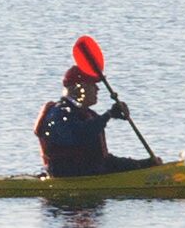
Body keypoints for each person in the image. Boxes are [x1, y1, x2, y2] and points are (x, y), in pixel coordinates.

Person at [35, 35, 153, 177]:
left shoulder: (90, 115)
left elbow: (104, 161)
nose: (97, 90)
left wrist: (144, 165)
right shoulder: (58, 113)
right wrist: (108, 115)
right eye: (92, 85)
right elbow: (77, 135)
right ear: (79, 88)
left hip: (92, 172)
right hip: (68, 176)